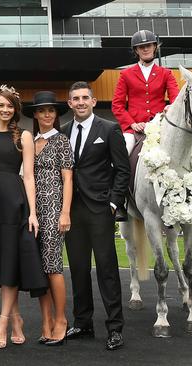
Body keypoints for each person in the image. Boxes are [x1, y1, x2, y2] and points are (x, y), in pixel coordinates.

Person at [112, 29, 192, 220]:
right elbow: (117, 105)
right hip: (135, 129)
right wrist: (132, 124)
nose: (145, 49)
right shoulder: (126, 74)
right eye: (141, 47)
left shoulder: (165, 73)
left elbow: (176, 98)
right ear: (136, 50)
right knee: (122, 152)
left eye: (148, 45)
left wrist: (170, 108)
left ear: (155, 47)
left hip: (161, 126)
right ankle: (120, 201)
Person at [0, 85, 47, 349]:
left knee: (10, 261)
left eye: (10, 106)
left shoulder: (25, 136)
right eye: (1, 105)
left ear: (15, 110)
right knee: (1, 262)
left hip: (14, 204)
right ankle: (17, 318)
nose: (5, 110)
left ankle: (3, 321)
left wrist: (33, 212)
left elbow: (28, 176)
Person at [62, 81, 129, 351]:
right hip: (72, 210)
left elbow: (122, 169)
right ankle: (83, 322)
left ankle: (115, 328)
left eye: (84, 98)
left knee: (107, 270)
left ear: (93, 100)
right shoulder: (63, 132)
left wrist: (113, 203)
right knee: (78, 269)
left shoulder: (110, 129)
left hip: (100, 209)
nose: (80, 102)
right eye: (75, 98)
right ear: (69, 103)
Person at [23, 91, 73, 346]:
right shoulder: (31, 141)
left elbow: (68, 179)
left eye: (51, 111)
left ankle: (61, 320)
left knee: (53, 267)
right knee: (39, 270)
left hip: (54, 210)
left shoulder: (62, 141)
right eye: (42, 111)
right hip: (34, 212)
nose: (46, 115)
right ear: (35, 114)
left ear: (56, 115)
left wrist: (65, 213)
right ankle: (46, 322)